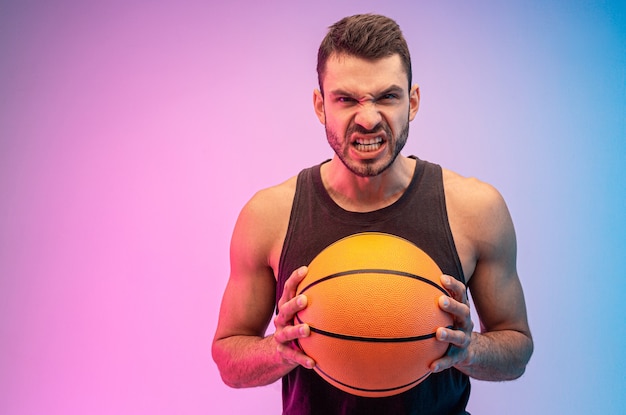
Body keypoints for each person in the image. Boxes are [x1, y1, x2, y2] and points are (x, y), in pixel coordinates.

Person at [212, 13, 533, 414]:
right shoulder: (269, 215)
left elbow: (517, 351)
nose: (367, 119)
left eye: (387, 96)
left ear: (412, 102)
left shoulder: (474, 209)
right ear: (320, 104)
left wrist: (470, 348)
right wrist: (279, 350)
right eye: (346, 99)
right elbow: (228, 360)